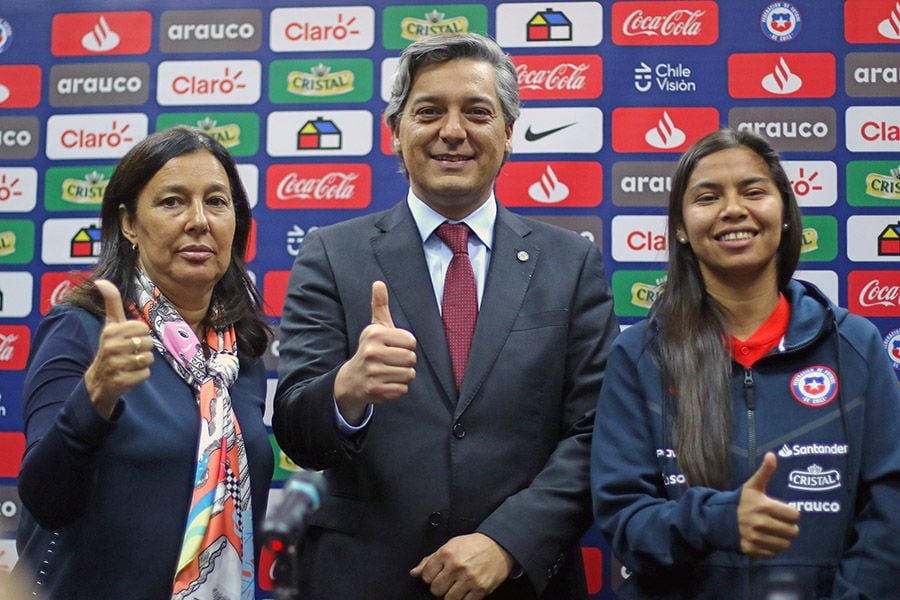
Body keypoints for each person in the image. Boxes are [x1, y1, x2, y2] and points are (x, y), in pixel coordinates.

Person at [273, 33, 618, 599]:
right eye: (428, 111)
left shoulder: (571, 262)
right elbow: (295, 429)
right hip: (364, 580)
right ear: (395, 133)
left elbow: (596, 430)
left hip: (521, 582)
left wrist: (507, 542)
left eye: (476, 112)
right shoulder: (332, 254)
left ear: (508, 134)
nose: (452, 131)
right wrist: (347, 391)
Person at [591, 128, 900, 598]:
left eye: (753, 191)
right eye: (707, 197)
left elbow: (890, 507)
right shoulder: (639, 356)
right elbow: (624, 518)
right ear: (680, 227)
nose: (733, 209)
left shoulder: (854, 345)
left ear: (785, 213)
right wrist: (716, 520)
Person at [12, 126, 274, 599]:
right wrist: (96, 396)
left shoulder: (240, 353)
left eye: (216, 202)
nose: (199, 220)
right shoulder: (82, 329)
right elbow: (45, 499)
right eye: (172, 201)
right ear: (129, 224)